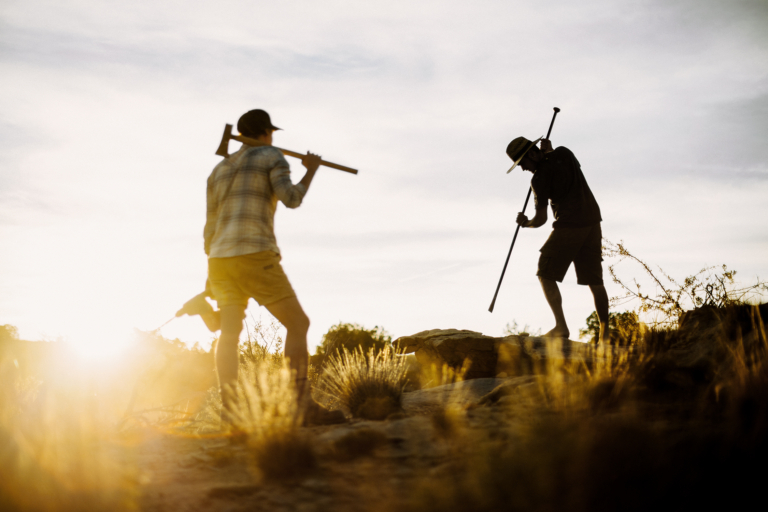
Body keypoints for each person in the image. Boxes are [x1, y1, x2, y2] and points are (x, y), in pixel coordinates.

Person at [203, 108, 344, 425]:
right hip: (255, 253)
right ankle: (301, 407)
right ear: (265, 132)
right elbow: (291, 198)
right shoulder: (271, 156)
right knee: (298, 324)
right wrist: (311, 170)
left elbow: (210, 226)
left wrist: (211, 270)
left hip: (219, 260)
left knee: (229, 333)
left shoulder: (219, 170)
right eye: (271, 133)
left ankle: (231, 412)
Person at [505, 136, 609, 344]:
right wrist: (550, 151)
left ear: (533, 154)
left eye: (522, 163)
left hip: (570, 224)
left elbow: (541, 219)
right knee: (594, 280)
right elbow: (562, 161)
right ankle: (604, 336)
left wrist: (526, 223)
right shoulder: (564, 153)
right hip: (592, 221)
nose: (524, 169)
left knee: (545, 270)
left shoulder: (538, 179)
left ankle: (561, 327)